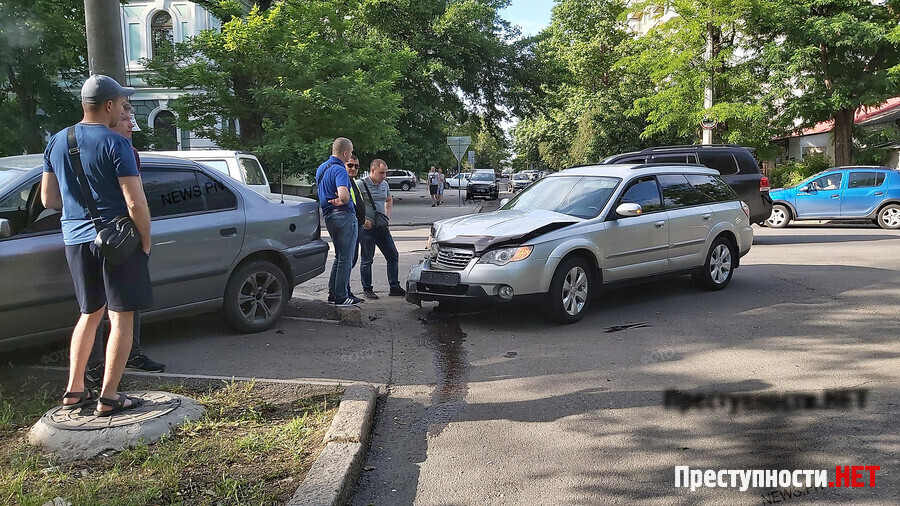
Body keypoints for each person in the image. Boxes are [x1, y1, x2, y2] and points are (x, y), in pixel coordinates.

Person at [41, 74, 152, 416]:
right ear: (108, 105)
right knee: (121, 318)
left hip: (74, 239)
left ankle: (74, 390)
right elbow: (134, 204)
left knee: (89, 314)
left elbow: (48, 198)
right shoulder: (115, 143)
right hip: (116, 242)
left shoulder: (57, 141)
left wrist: (79, 210)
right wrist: (145, 243)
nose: (122, 109)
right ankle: (109, 395)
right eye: (121, 104)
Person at [85, 103, 164, 389]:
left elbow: (139, 197)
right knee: (98, 308)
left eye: (132, 119)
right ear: (109, 119)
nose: (131, 125)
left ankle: (132, 354)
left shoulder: (129, 152)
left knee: (125, 305)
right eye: (125, 119)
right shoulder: (105, 148)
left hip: (121, 235)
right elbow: (133, 200)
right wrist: (145, 241)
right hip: (107, 237)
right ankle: (97, 370)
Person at [317, 138, 363, 307]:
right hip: (343, 216)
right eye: (350, 153)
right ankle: (342, 296)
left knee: (339, 256)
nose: (350, 156)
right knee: (346, 258)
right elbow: (343, 195)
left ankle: (333, 292)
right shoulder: (340, 170)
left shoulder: (322, 168)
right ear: (345, 153)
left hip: (329, 216)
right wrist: (344, 199)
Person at [358, 159, 406, 299]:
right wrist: (363, 221)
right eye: (381, 173)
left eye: (385, 173)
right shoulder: (360, 184)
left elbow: (389, 199)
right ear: (372, 171)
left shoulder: (384, 184)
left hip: (382, 227)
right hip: (367, 228)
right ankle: (367, 288)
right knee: (367, 259)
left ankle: (394, 286)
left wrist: (387, 215)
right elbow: (353, 205)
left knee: (393, 255)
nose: (384, 176)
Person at [331, 153, 366, 303]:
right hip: (348, 222)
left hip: (356, 223)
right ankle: (341, 293)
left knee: (344, 260)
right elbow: (344, 200)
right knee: (346, 260)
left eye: (356, 166)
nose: (353, 168)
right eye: (350, 165)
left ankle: (340, 291)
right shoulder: (342, 181)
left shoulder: (353, 182)